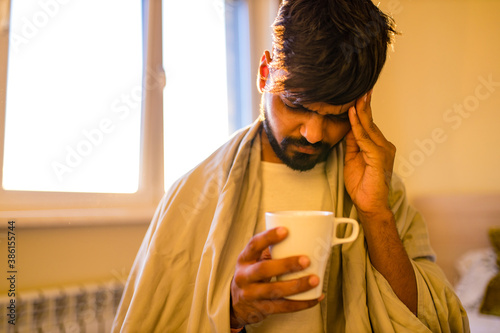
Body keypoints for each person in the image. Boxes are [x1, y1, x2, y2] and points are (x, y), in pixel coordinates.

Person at [112, 0, 469, 332]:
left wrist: (375, 214)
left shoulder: (383, 192)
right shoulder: (191, 196)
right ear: (265, 73)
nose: (314, 134)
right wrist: (232, 314)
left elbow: (435, 321)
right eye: (297, 105)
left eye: (337, 115)